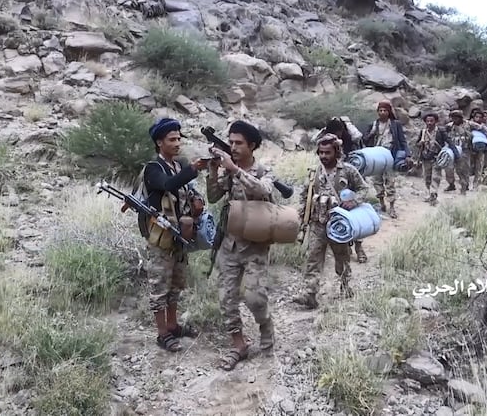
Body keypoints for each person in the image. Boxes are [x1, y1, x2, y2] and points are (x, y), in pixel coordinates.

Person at [206, 120, 276, 371]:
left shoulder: (264, 173)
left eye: (239, 143)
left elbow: (262, 192)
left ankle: (266, 325)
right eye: (231, 142)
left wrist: (234, 170)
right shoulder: (228, 171)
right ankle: (239, 344)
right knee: (226, 298)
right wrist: (214, 171)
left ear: (252, 146)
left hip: (255, 245)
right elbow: (213, 196)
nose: (233, 147)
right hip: (230, 243)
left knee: (255, 298)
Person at [142, 118, 208, 352]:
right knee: (159, 287)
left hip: (180, 237)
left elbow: (184, 191)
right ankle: (162, 334)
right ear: (159, 142)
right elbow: (168, 185)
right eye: (172, 139)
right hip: (162, 239)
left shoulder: (178, 166)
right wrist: (194, 169)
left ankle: (173, 325)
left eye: (179, 138)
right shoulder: (153, 169)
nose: (177, 143)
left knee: (176, 285)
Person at [292, 134, 369, 310]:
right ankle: (310, 294)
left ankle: (345, 286)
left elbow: (364, 188)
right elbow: (306, 195)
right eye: (321, 152)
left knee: (342, 258)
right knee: (313, 258)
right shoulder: (314, 172)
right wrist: (302, 217)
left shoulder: (348, 170)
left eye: (327, 152)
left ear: (336, 152)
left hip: (339, 225)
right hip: (317, 224)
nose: (324, 156)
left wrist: (354, 201)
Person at [321, 117, 368, 263]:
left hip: (349, 179)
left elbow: (357, 157)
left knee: (354, 217)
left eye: (338, 132)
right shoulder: (325, 141)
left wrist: (355, 200)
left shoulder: (350, 139)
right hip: (332, 184)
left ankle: (359, 248)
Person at [362, 101, 408, 219]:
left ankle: (392, 207)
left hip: (390, 155)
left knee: (390, 181)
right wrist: (371, 133)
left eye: (385, 110)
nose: (382, 113)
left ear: (389, 112)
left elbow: (402, 140)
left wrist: (407, 154)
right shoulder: (373, 124)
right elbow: (364, 140)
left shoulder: (395, 124)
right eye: (380, 110)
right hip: (376, 155)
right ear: (377, 112)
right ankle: (382, 202)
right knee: (377, 180)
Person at [413, 112, 458, 206]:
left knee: (435, 177)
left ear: (436, 121)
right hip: (425, 158)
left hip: (437, 158)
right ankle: (430, 193)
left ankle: (434, 194)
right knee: (427, 177)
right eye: (427, 121)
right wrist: (420, 144)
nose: (429, 123)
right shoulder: (423, 132)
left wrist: (455, 153)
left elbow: (449, 141)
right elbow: (417, 144)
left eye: (431, 121)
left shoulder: (440, 131)